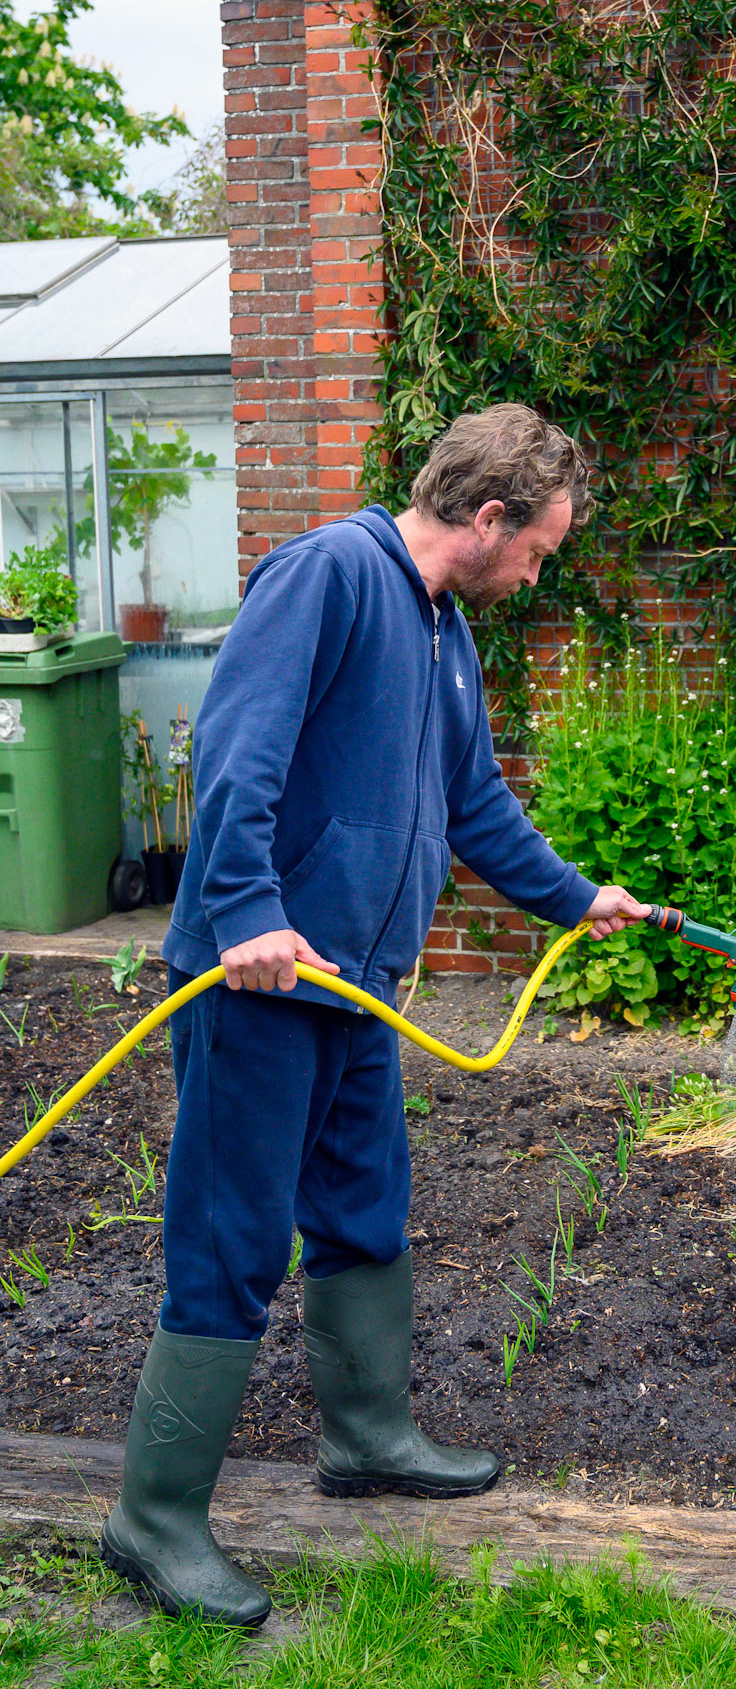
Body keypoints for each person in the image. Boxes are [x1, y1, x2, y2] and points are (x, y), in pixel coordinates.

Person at [99, 404, 649, 1627]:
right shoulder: (329, 574)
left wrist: (574, 895)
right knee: (234, 1236)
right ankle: (153, 1518)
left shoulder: (447, 632)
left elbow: (475, 803)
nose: (537, 573)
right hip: (259, 978)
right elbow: (237, 745)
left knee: (361, 1204)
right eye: (538, 551)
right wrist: (245, 908)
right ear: (489, 516)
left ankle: (366, 1436)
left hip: (355, 985)